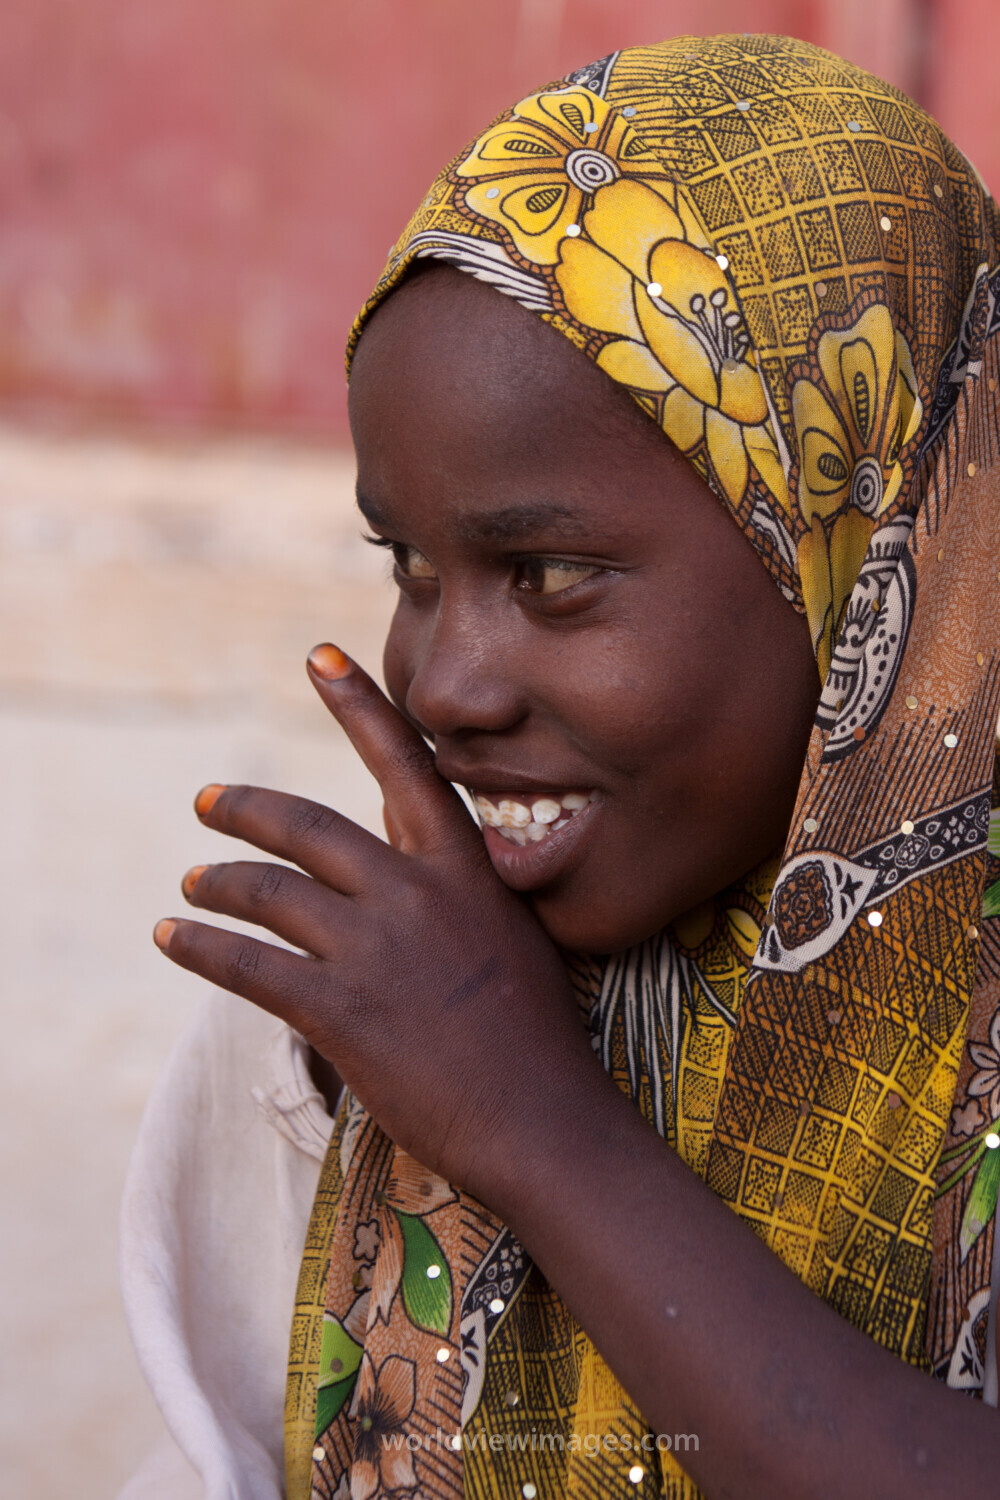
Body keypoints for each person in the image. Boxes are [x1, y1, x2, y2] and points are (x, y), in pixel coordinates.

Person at [129, 32, 1000, 1500]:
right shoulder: (348, 1022)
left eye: (548, 574)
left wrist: (530, 1122)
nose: (444, 686)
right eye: (408, 563)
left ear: (857, 542)